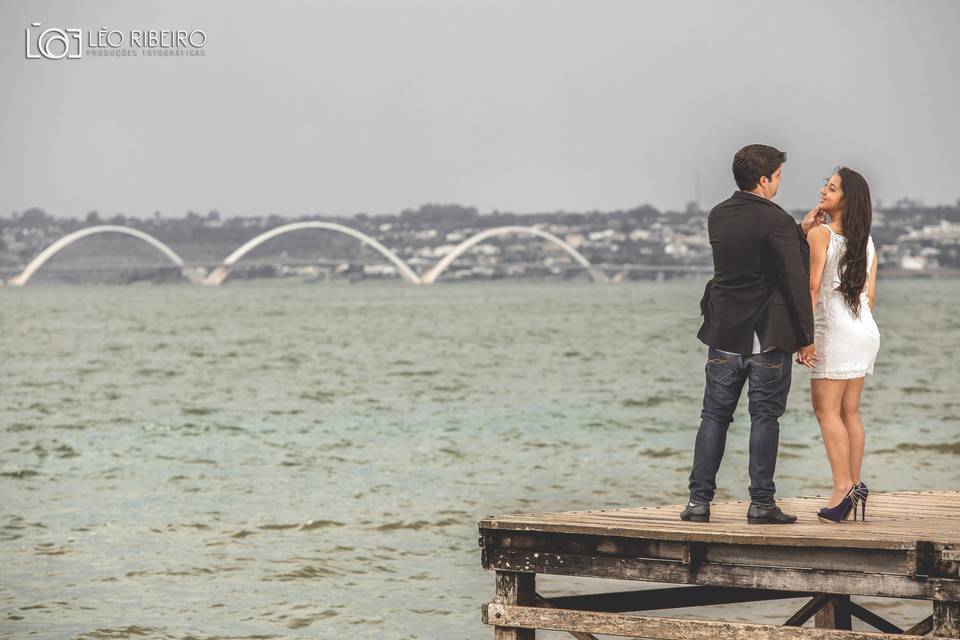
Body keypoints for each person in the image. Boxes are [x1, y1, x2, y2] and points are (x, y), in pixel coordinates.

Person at [681, 144, 823, 525]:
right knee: (764, 419)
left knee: (713, 416)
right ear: (764, 179)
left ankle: (698, 502)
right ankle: (761, 503)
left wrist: (797, 230)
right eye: (777, 177)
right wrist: (806, 336)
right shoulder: (775, 220)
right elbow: (794, 280)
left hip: (724, 333)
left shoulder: (718, 215)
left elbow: (750, 252)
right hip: (766, 336)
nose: (778, 183)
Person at [804, 167, 880, 524]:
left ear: (846, 199)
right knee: (850, 411)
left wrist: (805, 337)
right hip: (864, 330)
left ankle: (842, 489)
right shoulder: (867, 241)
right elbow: (871, 297)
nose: (823, 190)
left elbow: (813, 288)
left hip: (834, 332)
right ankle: (856, 484)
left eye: (831, 188)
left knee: (826, 411)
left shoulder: (821, 235)